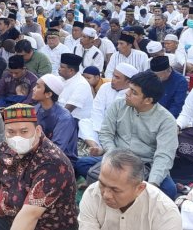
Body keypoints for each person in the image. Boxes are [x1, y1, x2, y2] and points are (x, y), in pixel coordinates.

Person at [76, 71, 179, 199]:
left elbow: (164, 156)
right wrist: (112, 156)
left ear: (148, 100)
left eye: (134, 92)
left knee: (169, 190)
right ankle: (117, 187)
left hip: (144, 165)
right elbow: (106, 134)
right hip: (117, 158)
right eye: (129, 89)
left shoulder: (166, 121)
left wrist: (152, 185)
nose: (127, 93)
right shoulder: (119, 105)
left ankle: (110, 185)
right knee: (81, 164)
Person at [78, 149, 182, 230]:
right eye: (102, 183)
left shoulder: (165, 212)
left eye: (115, 190)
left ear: (139, 188)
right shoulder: (92, 193)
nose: (106, 195)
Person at [78, 63, 137, 152]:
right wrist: (100, 130)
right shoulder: (105, 87)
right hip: (99, 127)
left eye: (117, 77)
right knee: (84, 122)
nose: (112, 79)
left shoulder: (130, 95)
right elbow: (97, 110)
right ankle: (96, 147)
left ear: (128, 82)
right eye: (113, 75)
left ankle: (103, 148)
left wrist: (108, 132)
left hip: (117, 131)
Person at [32, 74, 78, 163]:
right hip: (38, 154)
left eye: (38, 87)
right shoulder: (36, 109)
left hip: (61, 160)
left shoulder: (64, 118)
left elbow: (56, 148)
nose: (33, 89)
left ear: (48, 94)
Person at [58, 53, 93, 121]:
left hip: (76, 121)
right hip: (62, 117)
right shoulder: (60, 78)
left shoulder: (82, 84)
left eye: (62, 67)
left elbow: (68, 110)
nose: (59, 69)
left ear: (71, 70)